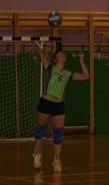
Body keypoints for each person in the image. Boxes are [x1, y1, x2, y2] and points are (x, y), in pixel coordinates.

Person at [32, 44, 89, 172]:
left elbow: (86, 76)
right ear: (55, 59)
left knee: (58, 133)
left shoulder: (68, 73)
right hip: (46, 102)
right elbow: (41, 53)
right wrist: (37, 45)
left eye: (63, 54)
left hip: (59, 105)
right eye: (59, 54)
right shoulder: (50, 67)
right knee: (40, 130)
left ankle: (57, 159)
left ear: (65, 59)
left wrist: (81, 61)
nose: (62, 55)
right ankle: (37, 154)